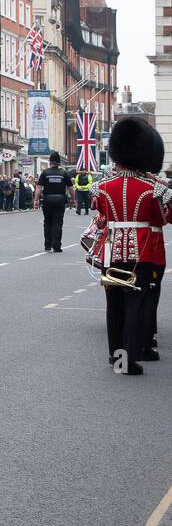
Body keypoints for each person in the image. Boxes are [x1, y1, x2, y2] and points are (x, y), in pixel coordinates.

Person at [93, 118, 168, 375]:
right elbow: (159, 220)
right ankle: (130, 359)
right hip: (142, 253)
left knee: (113, 305)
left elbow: (102, 218)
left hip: (111, 251)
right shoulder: (151, 190)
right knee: (134, 305)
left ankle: (116, 357)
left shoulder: (102, 187)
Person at [33, 152, 73, 253]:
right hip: (60, 200)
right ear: (59, 162)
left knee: (47, 222)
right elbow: (71, 188)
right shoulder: (64, 173)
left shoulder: (45, 173)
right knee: (58, 223)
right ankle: (57, 246)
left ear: (50, 161)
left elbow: (38, 187)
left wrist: (36, 200)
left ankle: (47, 245)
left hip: (47, 200)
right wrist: (74, 199)